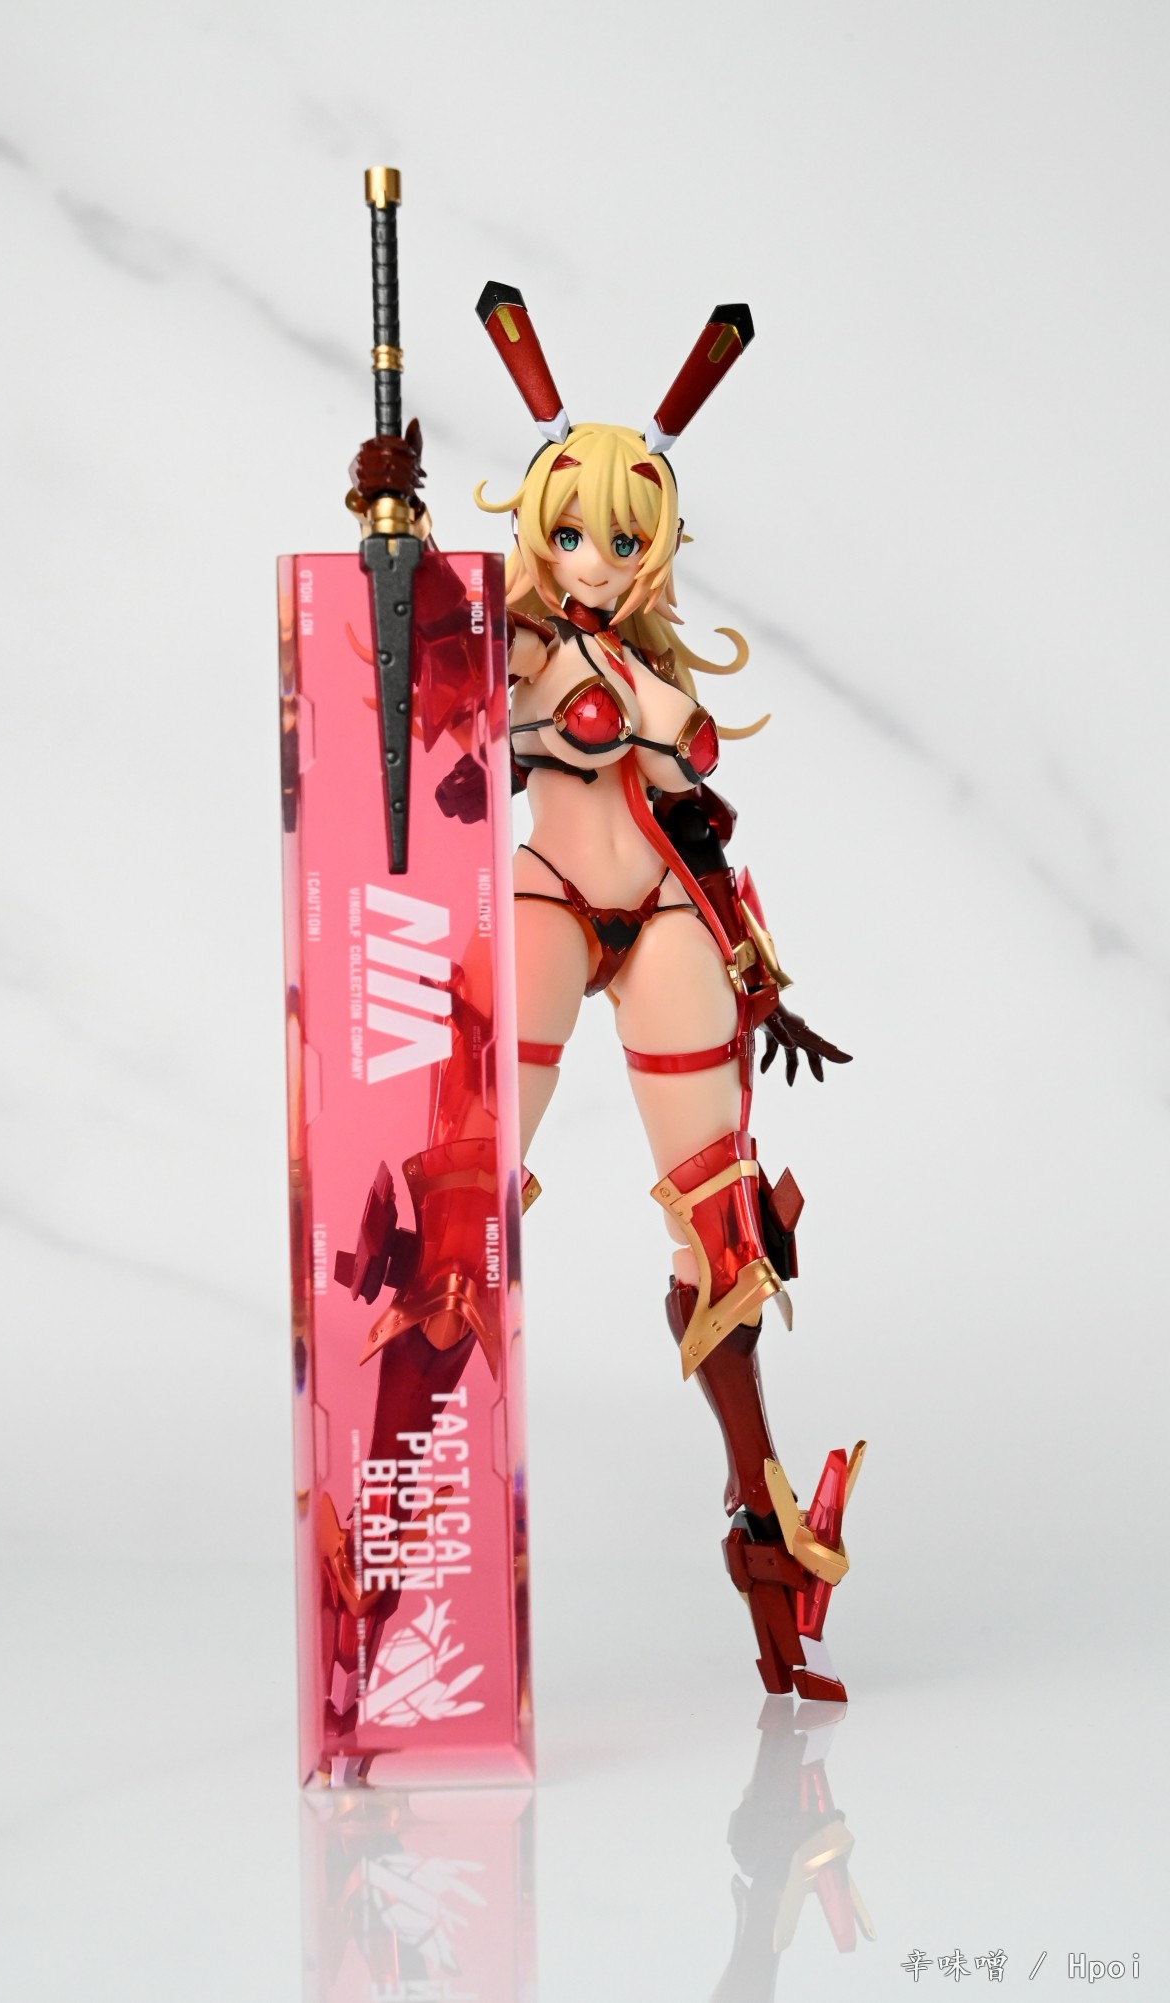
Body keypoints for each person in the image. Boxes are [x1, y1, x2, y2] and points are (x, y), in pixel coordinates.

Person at [469, 289, 863, 1701]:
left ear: (658, 547)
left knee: (723, 1222)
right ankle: (421, 1461)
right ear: (538, 529)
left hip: (670, 921)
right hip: (553, 900)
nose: (595, 558)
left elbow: (690, 824)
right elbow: (409, 669)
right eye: (572, 533)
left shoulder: (650, 667)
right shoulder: (518, 644)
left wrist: (762, 972)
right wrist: (387, 526)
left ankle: (763, 1526)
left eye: (624, 540)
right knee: (471, 1172)